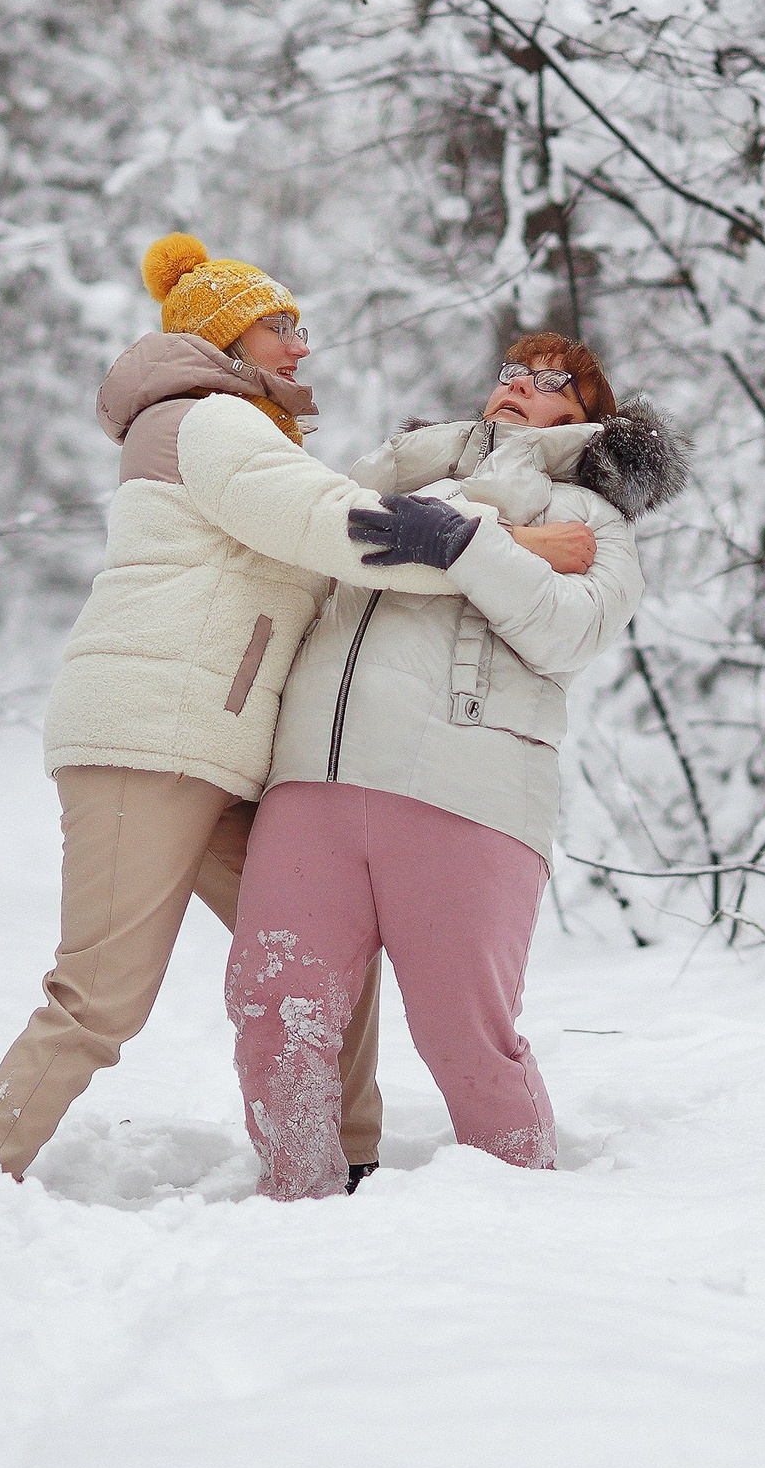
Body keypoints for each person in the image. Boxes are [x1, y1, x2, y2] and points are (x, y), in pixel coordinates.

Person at [0, 238, 595, 1180]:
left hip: (219, 746)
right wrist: (521, 539)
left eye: (301, 324)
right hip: (152, 735)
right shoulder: (208, 419)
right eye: (278, 325)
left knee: (320, 948)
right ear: (224, 335)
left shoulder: (242, 427)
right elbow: (337, 525)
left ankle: (350, 1157)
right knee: (101, 994)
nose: (302, 345)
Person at [224, 334, 689, 1198]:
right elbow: (298, 557)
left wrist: (463, 545)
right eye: (512, 371)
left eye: (553, 380)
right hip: (313, 778)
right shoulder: (394, 475)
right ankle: (294, 1204)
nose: (521, 384)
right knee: (273, 1008)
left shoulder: (594, 519)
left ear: (590, 413)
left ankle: (516, 1219)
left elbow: (568, 630)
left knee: (462, 1034)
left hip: (468, 791)